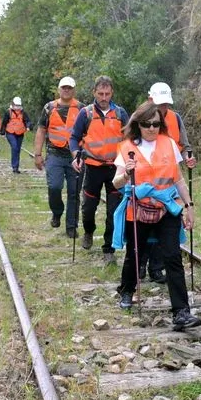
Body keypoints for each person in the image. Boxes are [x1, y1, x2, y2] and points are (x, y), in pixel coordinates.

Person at [112, 102, 201, 330]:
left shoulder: (169, 144)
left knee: (172, 257)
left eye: (155, 124)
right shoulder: (126, 147)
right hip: (139, 208)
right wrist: (126, 174)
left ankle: (181, 311)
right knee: (135, 254)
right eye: (146, 124)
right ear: (138, 125)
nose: (151, 128)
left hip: (167, 208)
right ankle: (127, 290)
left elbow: (178, 178)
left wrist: (189, 205)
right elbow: (116, 181)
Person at [138, 82, 197, 284]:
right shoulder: (140, 118)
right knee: (145, 224)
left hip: (169, 182)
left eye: (166, 104)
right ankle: (140, 265)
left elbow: (184, 146)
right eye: (160, 104)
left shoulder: (176, 118)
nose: (163, 109)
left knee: (164, 227)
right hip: (145, 185)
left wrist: (188, 158)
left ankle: (156, 268)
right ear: (150, 100)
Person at [69, 76, 129, 265]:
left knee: (114, 210)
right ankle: (88, 230)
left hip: (115, 168)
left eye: (107, 93)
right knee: (88, 208)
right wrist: (75, 155)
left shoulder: (120, 113)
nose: (104, 97)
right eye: (100, 93)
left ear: (112, 93)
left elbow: (129, 138)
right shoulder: (85, 113)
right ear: (94, 92)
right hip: (92, 167)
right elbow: (74, 138)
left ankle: (108, 249)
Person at [34, 77, 84, 237]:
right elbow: (41, 130)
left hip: (75, 156)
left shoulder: (82, 109)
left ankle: (71, 226)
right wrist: (37, 154)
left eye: (70, 88)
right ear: (59, 89)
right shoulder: (49, 108)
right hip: (54, 154)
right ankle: (57, 212)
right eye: (64, 87)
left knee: (74, 192)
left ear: (74, 90)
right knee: (54, 187)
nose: (67, 90)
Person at [1, 97, 31, 174]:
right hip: (10, 132)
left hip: (20, 133)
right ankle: (14, 166)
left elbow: (28, 121)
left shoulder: (23, 113)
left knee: (17, 149)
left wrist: (28, 126)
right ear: (13, 104)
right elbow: (4, 122)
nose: (17, 107)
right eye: (16, 105)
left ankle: (16, 167)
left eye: (19, 105)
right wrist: (2, 133)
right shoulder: (8, 112)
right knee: (14, 147)